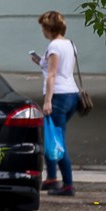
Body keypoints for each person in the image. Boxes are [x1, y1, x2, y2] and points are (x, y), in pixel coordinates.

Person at [34, 10, 82, 196]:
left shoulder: (54, 46)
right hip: (72, 94)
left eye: (43, 27)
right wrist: (40, 62)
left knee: (57, 141)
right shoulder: (70, 44)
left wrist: (47, 101)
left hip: (59, 96)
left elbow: (53, 75)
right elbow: (61, 69)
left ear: (49, 28)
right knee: (52, 136)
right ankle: (52, 178)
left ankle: (68, 184)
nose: (42, 31)